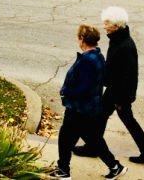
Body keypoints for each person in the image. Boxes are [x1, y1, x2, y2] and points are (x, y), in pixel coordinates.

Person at [74, 6, 144, 164]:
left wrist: (121, 99)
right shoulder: (118, 39)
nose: (104, 26)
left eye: (107, 23)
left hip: (119, 92)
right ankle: (93, 146)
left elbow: (129, 75)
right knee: (101, 116)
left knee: (123, 118)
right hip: (115, 89)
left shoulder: (124, 46)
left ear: (116, 25)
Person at [54, 24, 127, 180]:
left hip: (79, 108)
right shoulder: (98, 56)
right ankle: (115, 167)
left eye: (78, 37)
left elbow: (83, 87)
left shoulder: (87, 60)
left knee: (65, 138)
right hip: (91, 107)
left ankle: (63, 171)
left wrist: (65, 92)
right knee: (93, 139)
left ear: (82, 39)